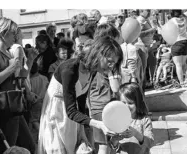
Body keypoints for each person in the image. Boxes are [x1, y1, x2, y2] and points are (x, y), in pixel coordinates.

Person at [38, 36, 123, 154]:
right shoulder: (70, 70)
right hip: (57, 116)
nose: (111, 67)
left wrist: (82, 133)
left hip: (72, 119)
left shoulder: (92, 70)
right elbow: (71, 110)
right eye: (109, 61)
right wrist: (100, 124)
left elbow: (81, 101)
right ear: (98, 54)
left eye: (114, 63)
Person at [0, 17, 35, 154]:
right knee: (8, 148)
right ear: (2, 33)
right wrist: (11, 68)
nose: (15, 37)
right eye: (12, 33)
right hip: (5, 108)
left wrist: (31, 60)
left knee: (29, 146)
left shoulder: (7, 52)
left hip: (14, 106)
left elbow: (19, 77)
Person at [88, 23, 123, 154]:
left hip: (95, 107)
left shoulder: (93, 59)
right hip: (108, 106)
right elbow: (115, 88)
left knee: (103, 144)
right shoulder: (112, 62)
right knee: (107, 145)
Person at [109, 83, 154, 154]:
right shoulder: (117, 120)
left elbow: (150, 142)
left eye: (130, 103)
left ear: (137, 103)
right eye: (123, 103)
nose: (126, 106)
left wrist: (136, 133)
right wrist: (115, 140)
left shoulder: (144, 120)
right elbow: (112, 146)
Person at [29, 62, 49, 144]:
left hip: (35, 103)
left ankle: (43, 135)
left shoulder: (30, 80)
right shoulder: (44, 78)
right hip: (45, 102)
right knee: (43, 120)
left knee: (34, 120)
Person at [170, 10, 187, 87]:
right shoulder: (184, 19)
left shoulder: (172, 20)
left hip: (177, 41)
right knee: (184, 64)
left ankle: (181, 83)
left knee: (178, 65)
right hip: (185, 41)